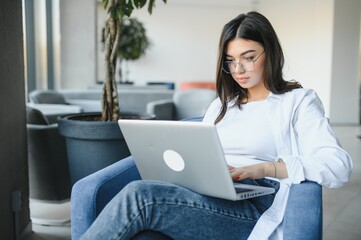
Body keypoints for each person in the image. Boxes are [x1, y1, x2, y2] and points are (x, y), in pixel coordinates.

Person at [80, 11, 352, 240]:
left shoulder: (298, 101)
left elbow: (338, 165)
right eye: (231, 61)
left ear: (270, 53)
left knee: (140, 195)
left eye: (249, 57)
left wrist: (267, 167)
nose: (239, 70)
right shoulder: (222, 106)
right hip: (210, 194)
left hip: (257, 202)